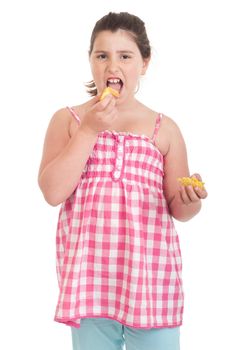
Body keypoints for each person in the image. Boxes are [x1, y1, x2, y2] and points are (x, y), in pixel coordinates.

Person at [38, 11, 207, 350]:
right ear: (90, 61)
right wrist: (89, 130)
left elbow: (179, 209)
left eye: (125, 56)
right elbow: (53, 192)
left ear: (144, 63)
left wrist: (191, 201)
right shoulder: (69, 121)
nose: (112, 66)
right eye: (102, 55)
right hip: (90, 285)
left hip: (151, 282)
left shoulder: (165, 129)